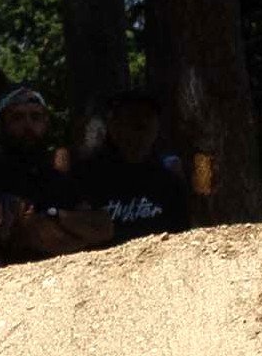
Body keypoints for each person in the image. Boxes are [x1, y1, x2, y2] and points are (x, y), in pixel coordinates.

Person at [0, 86, 100, 263]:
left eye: (35, 117)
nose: (28, 126)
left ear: (46, 122)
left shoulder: (58, 173)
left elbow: (101, 226)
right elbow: (29, 237)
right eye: (17, 117)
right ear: (2, 125)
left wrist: (55, 217)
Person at [58, 89, 191, 242]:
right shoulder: (85, 178)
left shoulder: (169, 183)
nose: (140, 131)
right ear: (113, 126)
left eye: (147, 120)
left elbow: (182, 235)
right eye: (132, 121)